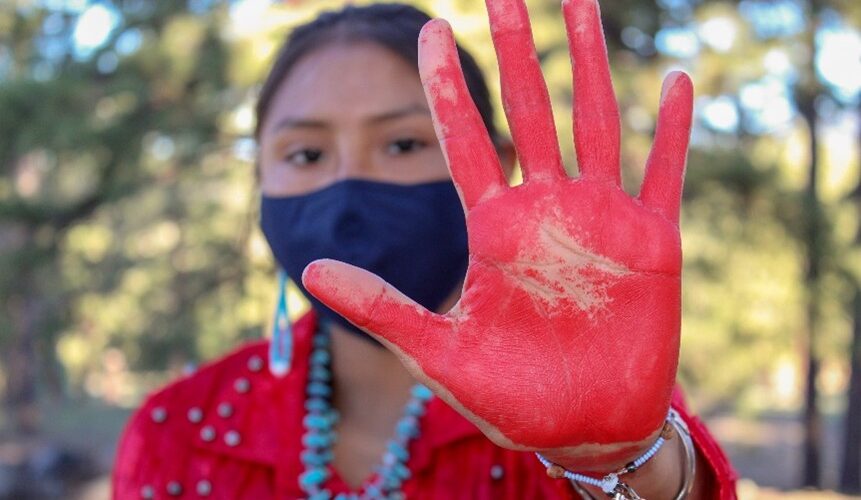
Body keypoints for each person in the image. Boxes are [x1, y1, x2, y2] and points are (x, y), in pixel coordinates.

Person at [112, 0, 738, 498]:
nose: (348, 189)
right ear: (259, 185)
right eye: (305, 154)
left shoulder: (585, 400)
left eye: (404, 145)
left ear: (500, 170)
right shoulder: (180, 431)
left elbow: (662, 470)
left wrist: (619, 460)